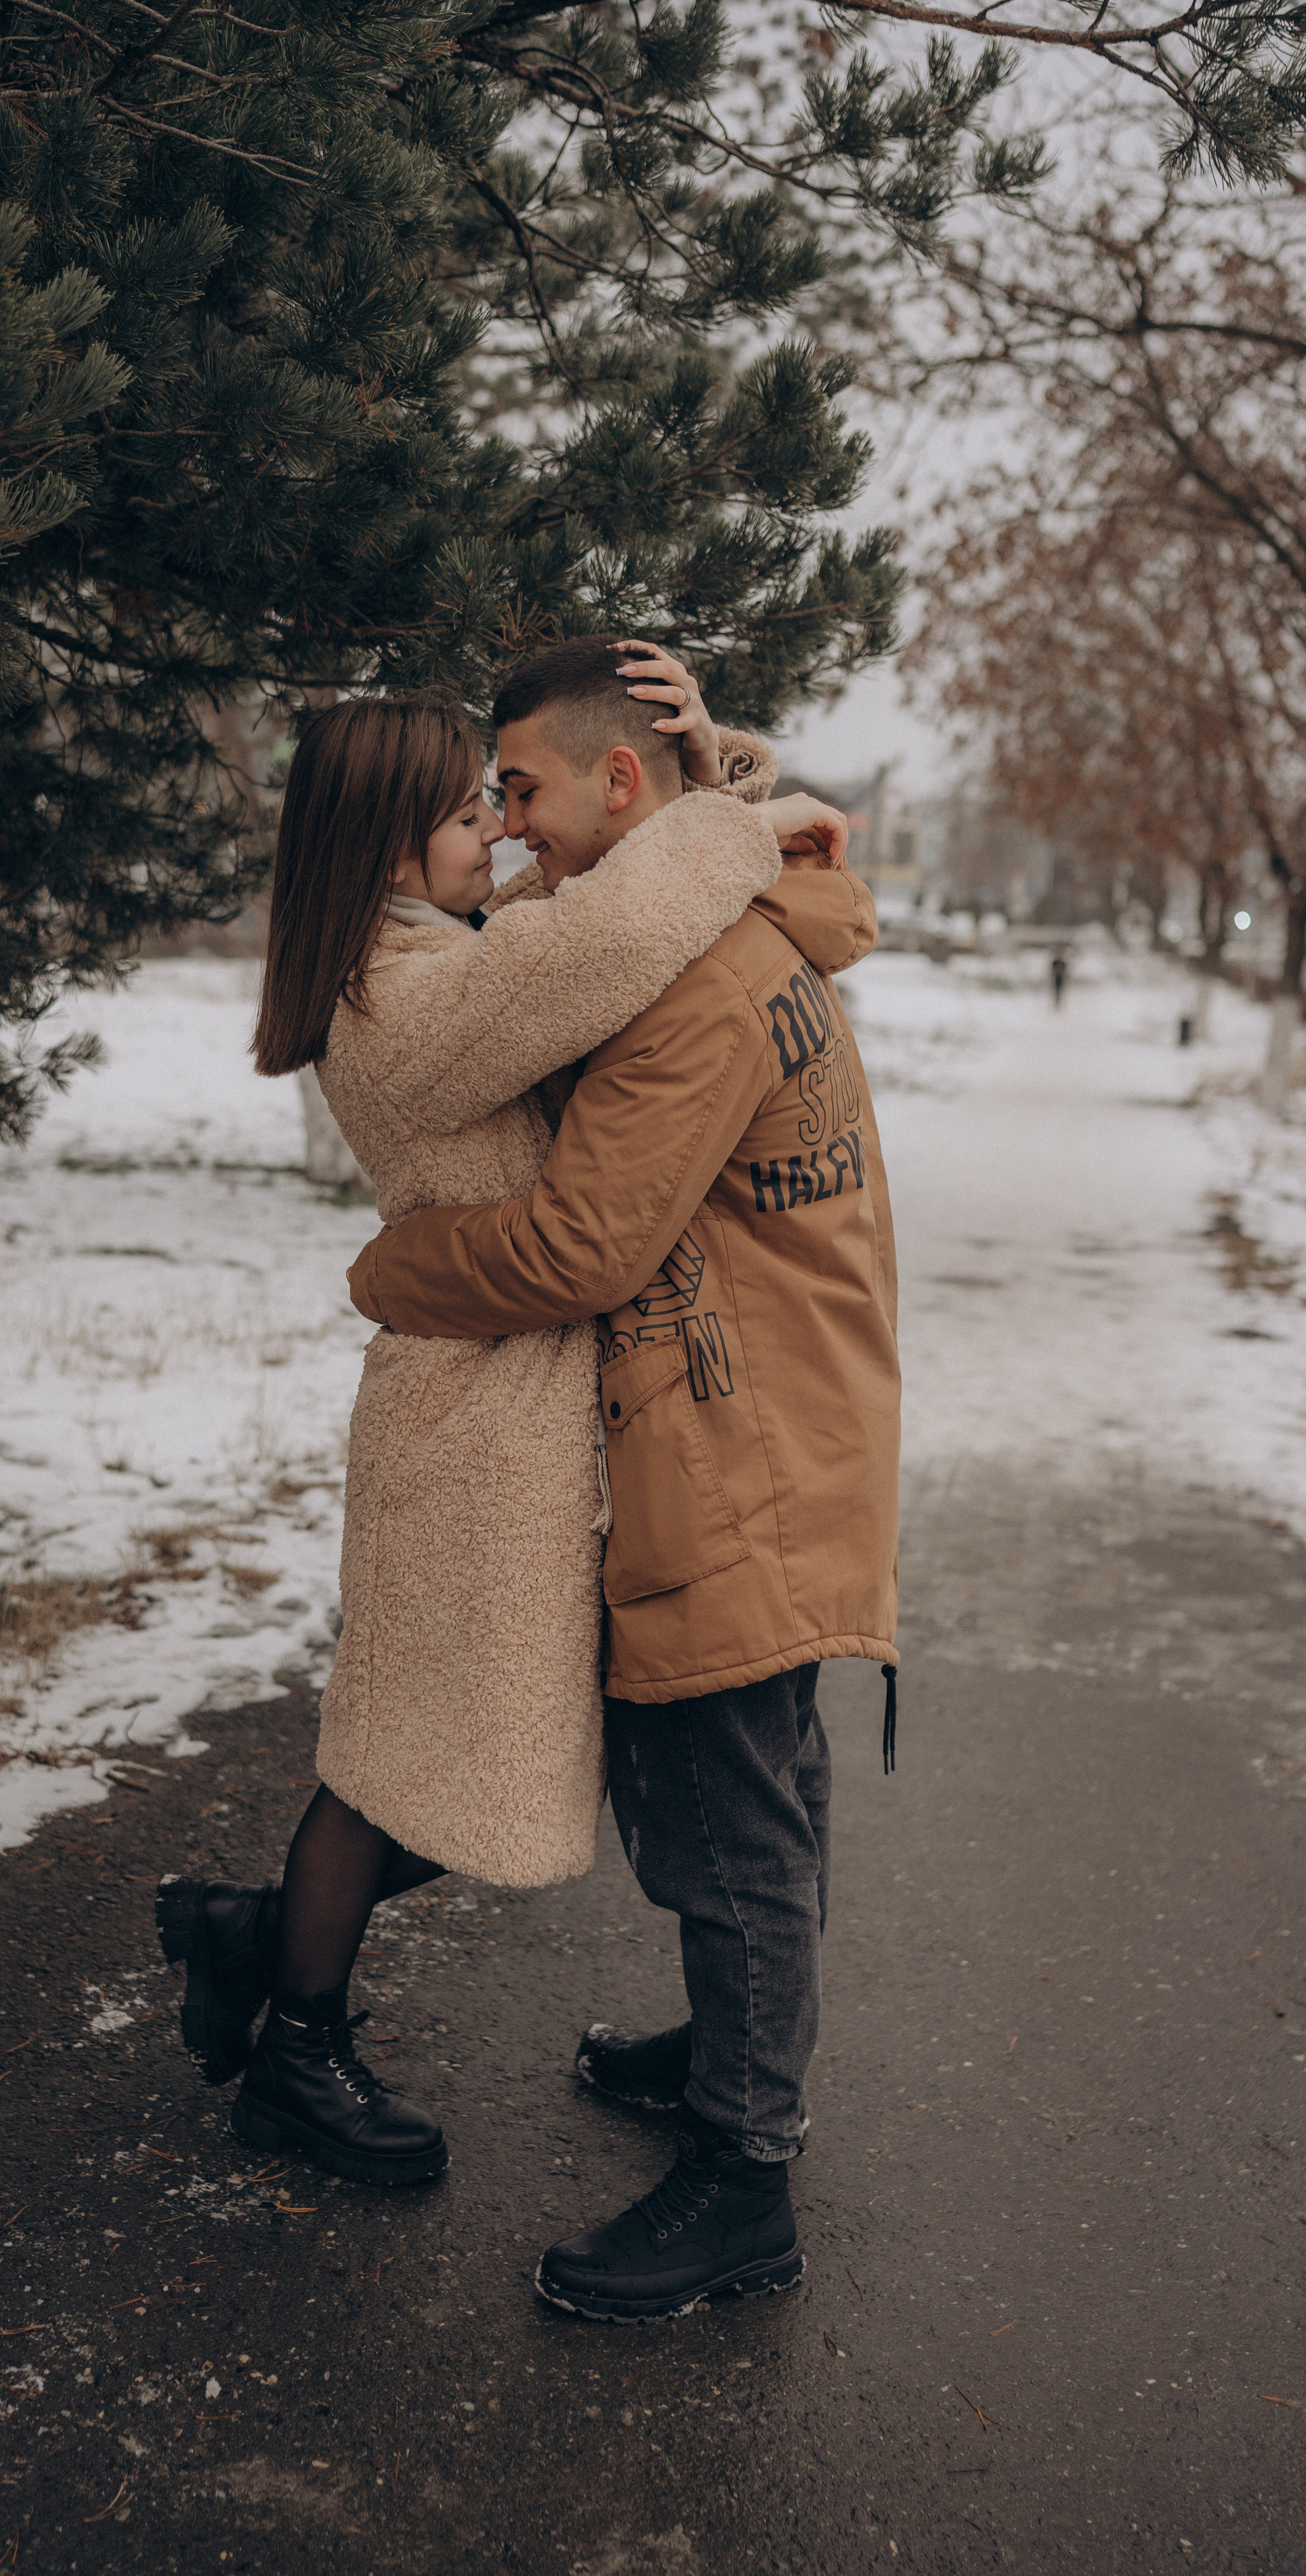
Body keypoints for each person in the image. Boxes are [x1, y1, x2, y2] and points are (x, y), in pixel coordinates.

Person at [156, 649, 865, 2195]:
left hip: (510, 1404)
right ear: (389, 840)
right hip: (469, 1422)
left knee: (493, 1752)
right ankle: (297, 2041)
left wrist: (701, 768)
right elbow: (609, 929)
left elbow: (606, 896)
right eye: (473, 811)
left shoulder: (438, 946)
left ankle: (252, 1941)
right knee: (406, 1754)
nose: (500, 837)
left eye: (500, 800)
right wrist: (737, 816)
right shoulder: (406, 990)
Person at [345, 635, 901, 2320]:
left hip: (726, 1447)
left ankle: (743, 2179)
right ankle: (727, 2050)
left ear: (616, 784)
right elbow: (641, 896)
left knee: (721, 1811)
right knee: (760, 1777)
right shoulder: (725, 927)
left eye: (519, 793)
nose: (506, 838)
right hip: (778, 1427)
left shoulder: (688, 988)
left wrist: (392, 1273)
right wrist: (724, 784)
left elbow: (585, 1242)